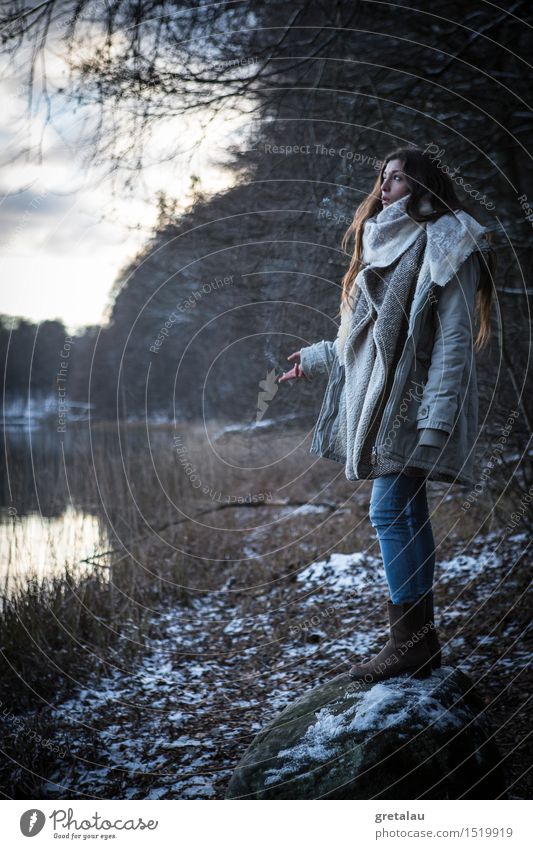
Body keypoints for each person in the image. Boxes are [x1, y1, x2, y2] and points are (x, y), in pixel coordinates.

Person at [277, 145, 495, 683]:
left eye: (397, 178)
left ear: (423, 188)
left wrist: (437, 417)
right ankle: (418, 643)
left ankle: (411, 645)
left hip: (415, 407)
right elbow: (360, 344)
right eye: (382, 177)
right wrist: (315, 358)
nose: (384, 187)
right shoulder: (378, 248)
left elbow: (455, 340)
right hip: (386, 405)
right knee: (404, 510)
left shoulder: (448, 242)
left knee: (388, 510)